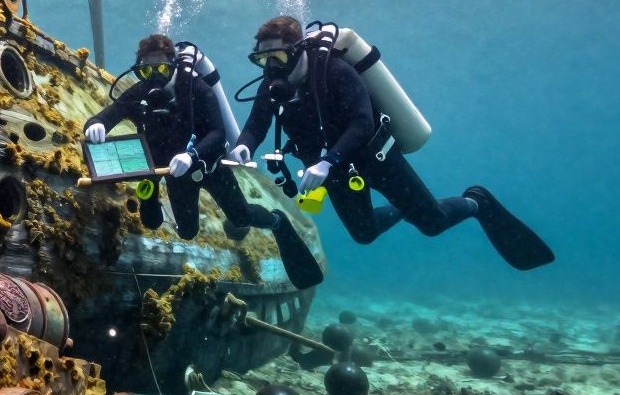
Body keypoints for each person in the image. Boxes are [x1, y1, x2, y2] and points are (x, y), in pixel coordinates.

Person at [229, 16, 553, 270]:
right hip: (335, 173)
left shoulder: (336, 71)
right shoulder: (273, 86)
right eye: (263, 60)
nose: (272, 68)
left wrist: (328, 161)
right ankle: (403, 208)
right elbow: (256, 124)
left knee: (433, 223)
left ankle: (476, 201)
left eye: (279, 56)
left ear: (298, 49)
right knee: (364, 233)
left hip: (377, 159)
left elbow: (362, 122)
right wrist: (245, 146)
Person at [84, 34, 324, 289]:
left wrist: (192, 155)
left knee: (241, 216)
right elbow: (106, 116)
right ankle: (153, 198)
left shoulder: (195, 89)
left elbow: (218, 133)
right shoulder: (139, 93)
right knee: (184, 230)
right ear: (138, 71)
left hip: (209, 166)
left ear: (174, 66)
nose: (154, 78)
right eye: (146, 72)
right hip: (173, 173)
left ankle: (277, 221)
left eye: (162, 69)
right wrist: (95, 125)